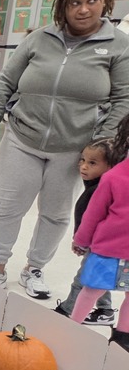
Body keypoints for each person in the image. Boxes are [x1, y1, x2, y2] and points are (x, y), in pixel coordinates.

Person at [0, 0, 129, 299]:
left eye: (92, 1)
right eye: (75, 2)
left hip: (75, 147)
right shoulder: (39, 39)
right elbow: (6, 82)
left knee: (55, 212)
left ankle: (35, 269)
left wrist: (100, 144)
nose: (83, 9)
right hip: (22, 137)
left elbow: (124, 99)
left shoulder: (118, 46)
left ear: (105, 2)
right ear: (63, 4)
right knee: (9, 205)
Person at [70, 117, 129, 352]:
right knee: (92, 289)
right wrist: (81, 240)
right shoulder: (113, 178)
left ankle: (123, 337)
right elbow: (93, 213)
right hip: (107, 250)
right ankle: (73, 328)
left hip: (112, 250)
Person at [55, 139, 115, 324]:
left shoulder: (101, 189)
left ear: (110, 166)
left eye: (92, 163)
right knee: (97, 277)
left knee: (83, 278)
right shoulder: (94, 186)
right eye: (82, 160)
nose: (84, 167)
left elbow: (93, 218)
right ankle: (105, 310)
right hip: (93, 243)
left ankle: (67, 310)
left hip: (99, 244)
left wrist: (82, 240)